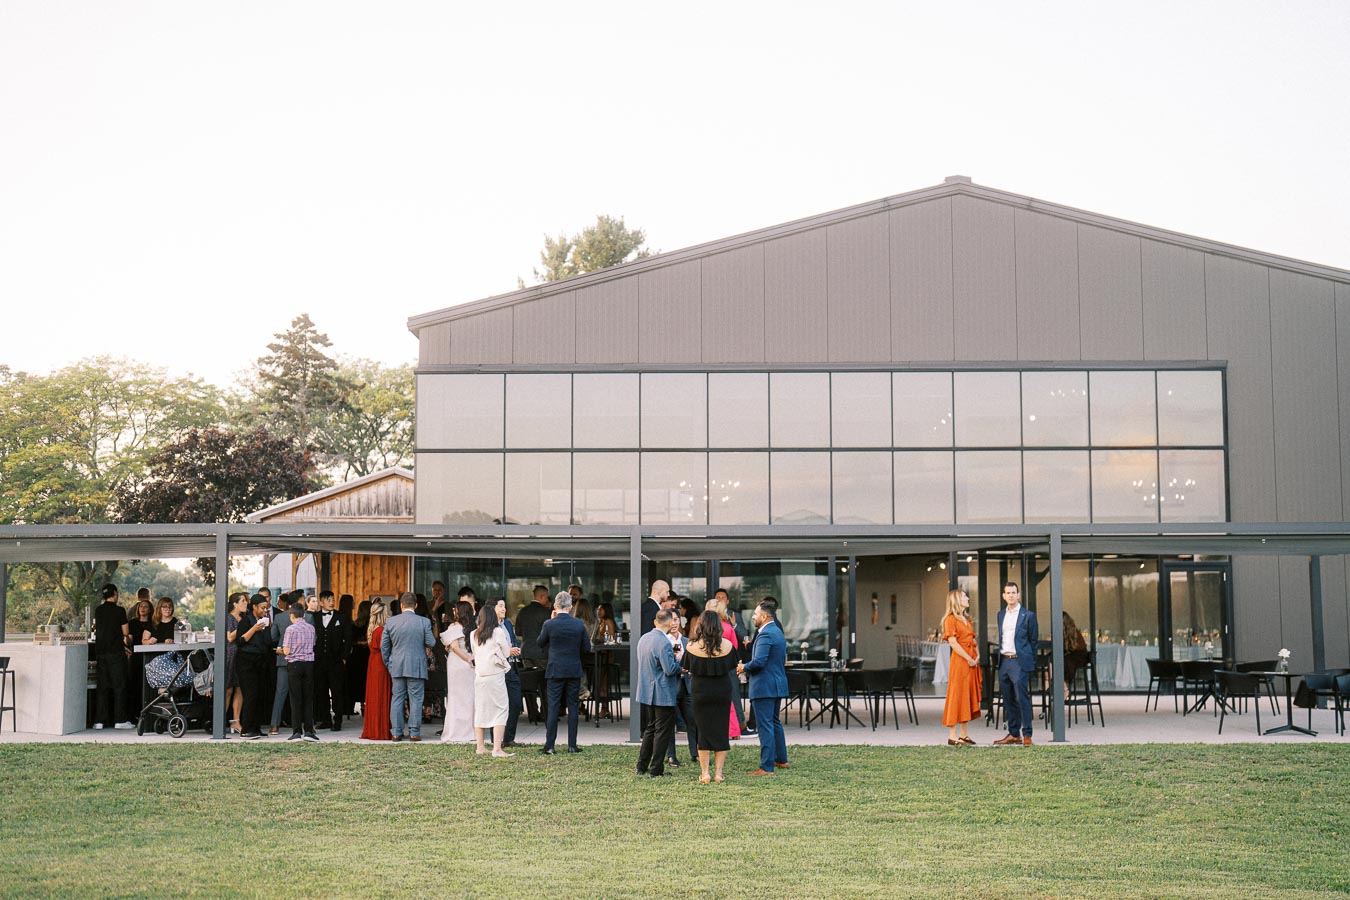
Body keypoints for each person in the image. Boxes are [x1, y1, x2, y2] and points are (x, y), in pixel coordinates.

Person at [685, 610, 740, 783]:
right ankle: (718, 773)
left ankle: (705, 773)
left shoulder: (691, 646)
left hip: (700, 692)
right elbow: (732, 666)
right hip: (722, 691)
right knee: (721, 730)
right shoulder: (727, 646)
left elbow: (686, 667)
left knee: (703, 731)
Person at [536, 591, 590, 754]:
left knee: (553, 707)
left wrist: (551, 620)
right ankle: (572, 745)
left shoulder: (549, 624)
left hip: (555, 670)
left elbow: (540, 642)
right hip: (573, 669)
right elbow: (586, 648)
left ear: (555, 605)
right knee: (573, 707)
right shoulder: (579, 624)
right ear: (570, 606)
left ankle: (550, 745)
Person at [739, 598, 788, 776]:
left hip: (764, 686)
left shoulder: (766, 633)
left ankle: (766, 767)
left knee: (765, 725)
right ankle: (781, 759)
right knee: (774, 722)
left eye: (756, 614)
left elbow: (759, 661)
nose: (753, 616)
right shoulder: (776, 631)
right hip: (776, 684)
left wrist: (743, 667)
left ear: (765, 616)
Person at [381, 592, 436, 741]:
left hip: (397, 664)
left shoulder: (391, 622)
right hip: (416, 665)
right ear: (416, 605)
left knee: (397, 698)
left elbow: (384, 646)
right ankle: (414, 732)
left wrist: (389, 663)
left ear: (401, 605)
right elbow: (431, 642)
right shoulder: (424, 621)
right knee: (416, 699)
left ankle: (396, 732)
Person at [634, 609, 682, 778]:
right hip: (662, 692)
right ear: (669, 623)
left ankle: (641, 766)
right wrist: (680, 666)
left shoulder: (644, 638)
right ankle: (656, 769)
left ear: (655, 622)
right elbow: (669, 669)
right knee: (662, 731)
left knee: (651, 728)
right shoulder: (664, 642)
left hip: (647, 690)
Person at [994, 582, 1040, 747]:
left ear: (1018, 595)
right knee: (1008, 699)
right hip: (1004, 661)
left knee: (1022, 698)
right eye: (1008, 593)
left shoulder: (1028, 615)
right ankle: (1014, 734)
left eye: (1014, 592)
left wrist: (1030, 661)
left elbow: (1033, 641)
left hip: (1019, 662)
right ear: (1004, 596)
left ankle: (1027, 734)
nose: (1011, 595)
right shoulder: (1001, 615)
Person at [470, 601, 516, 758]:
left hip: (480, 677)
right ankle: (497, 748)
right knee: (501, 710)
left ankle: (480, 747)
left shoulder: (473, 634)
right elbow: (506, 653)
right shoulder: (498, 632)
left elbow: (475, 653)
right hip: (495, 677)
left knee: (481, 710)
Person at [940, 589, 982, 746]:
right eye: (965, 596)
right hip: (960, 662)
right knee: (956, 695)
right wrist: (968, 658)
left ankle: (964, 734)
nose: (968, 598)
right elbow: (953, 642)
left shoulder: (967, 619)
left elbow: (972, 639)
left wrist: (976, 655)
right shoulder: (950, 619)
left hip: (971, 661)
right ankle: (952, 736)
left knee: (967, 695)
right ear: (957, 600)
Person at [92, 584, 133, 730]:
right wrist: (127, 643)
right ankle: (120, 720)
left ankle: (99, 721)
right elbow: (125, 632)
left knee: (102, 687)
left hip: (101, 652)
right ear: (115, 593)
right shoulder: (119, 610)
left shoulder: (98, 610)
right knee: (119, 686)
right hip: (116, 652)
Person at [236, 594, 275, 740]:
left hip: (261, 661)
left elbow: (268, 641)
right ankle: (246, 730)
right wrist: (254, 629)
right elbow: (240, 641)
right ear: (254, 607)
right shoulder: (246, 621)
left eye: (266, 608)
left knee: (260, 695)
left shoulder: (265, 621)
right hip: (246, 662)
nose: (265, 611)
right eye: (262, 608)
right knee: (250, 695)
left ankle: (256, 727)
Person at [280, 603, 320, 742]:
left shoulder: (290, 629)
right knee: (308, 698)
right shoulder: (311, 628)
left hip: (295, 664)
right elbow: (313, 644)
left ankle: (296, 731)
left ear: (291, 615)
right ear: (303, 614)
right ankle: (309, 730)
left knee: (295, 699)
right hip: (308, 664)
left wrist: (281, 650)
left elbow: (287, 650)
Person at [313, 590, 352, 731]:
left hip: (336, 661)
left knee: (337, 691)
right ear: (321, 602)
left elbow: (348, 639)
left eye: (333, 600)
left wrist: (344, 658)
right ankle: (325, 719)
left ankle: (338, 720)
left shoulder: (342, 617)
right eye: (328, 600)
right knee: (321, 690)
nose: (331, 602)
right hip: (319, 661)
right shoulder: (314, 617)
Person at [705, 595, 743, 741]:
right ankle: (733, 730)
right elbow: (735, 647)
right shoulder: (727, 627)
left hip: (708, 667)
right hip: (726, 667)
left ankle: (712, 729)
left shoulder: (705, 628)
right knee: (728, 700)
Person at [515, 584, 553, 722]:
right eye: (546, 597)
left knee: (529, 684)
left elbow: (518, 632)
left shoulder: (523, 611)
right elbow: (550, 633)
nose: (547, 600)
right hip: (542, 653)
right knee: (545, 684)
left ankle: (532, 713)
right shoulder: (545, 612)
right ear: (542, 596)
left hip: (526, 652)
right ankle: (545, 713)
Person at [440, 600, 476, 743]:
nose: (453, 611)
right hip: (470, 665)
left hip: (457, 663)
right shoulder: (472, 628)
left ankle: (456, 732)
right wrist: (470, 659)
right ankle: (470, 730)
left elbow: (454, 647)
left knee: (455, 698)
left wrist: (466, 659)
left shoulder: (454, 626)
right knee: (469, 698)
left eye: (455, 609)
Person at [360, 600, 393, 741]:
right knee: (381, 695)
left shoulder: (372, 629)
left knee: (374, 695)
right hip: (381, 664)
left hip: (373, 663)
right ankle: (380, 729)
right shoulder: (381, 630)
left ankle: (372, 728)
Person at [496, 598, 524, 747]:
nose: (504, 609)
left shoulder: (507, 623)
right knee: (498, 706)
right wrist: (508, 651)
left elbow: (512, 641)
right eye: (500, 606)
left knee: (516, 703)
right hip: (497, 670)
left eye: (504, 606)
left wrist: (515, 649)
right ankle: (498, 739)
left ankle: (508, 738)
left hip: (512, 667)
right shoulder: (488, 627)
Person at [268, 593, 295, 736]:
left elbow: (273, 637)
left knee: (280, 692)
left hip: (284, 658)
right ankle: (306, 724)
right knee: (303, 693)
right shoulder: (308, 617)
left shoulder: (279, 617)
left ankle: (274, 724)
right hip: (302, 660)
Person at [125, 594, 155, 718]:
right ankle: (134, 713)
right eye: (141, 606)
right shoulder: (132, 623)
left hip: (150, 656)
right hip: (136, 656)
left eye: (145, 606)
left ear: (150, 609)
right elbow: (129, 639)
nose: (142, 608)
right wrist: (126, 640)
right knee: (135, 683)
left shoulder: (153, 623)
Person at [223, 592, 247, 734]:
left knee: (240, 688)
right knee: (228, 689)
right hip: (230, 655)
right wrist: (244, 627)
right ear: (235, 604)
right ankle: (221, 720)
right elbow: (230, 637)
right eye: (243, 601)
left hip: (242, 655)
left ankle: (236, 721)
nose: (246, 603)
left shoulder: (244, 618)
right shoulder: (229, 618)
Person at [347, 599, 371, 717]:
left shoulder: (354, 624)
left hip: (356, 655)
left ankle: (351, 706)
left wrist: (358, 643)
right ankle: (365, 706)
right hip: (368, 654)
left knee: (355, 681)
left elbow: (350, 641)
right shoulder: (371, 625)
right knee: (367, 681)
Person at [1062, 612, 1090, 699]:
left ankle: (1064, 689)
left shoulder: (1073, 632)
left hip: (1078, 656)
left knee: (1060, 662)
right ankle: (1062, 688)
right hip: (1072, 656)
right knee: (1052, 659)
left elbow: (1072, 648)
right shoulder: (1069, 631)